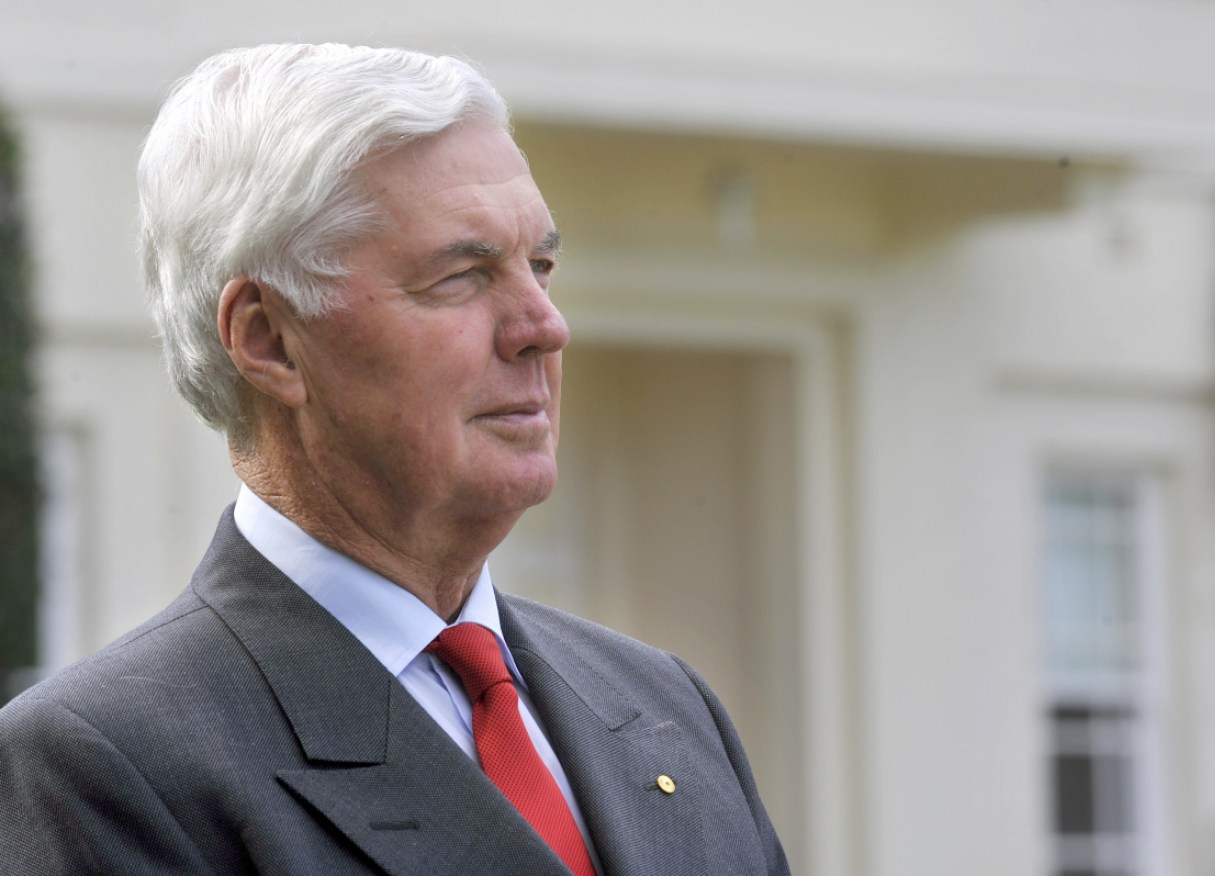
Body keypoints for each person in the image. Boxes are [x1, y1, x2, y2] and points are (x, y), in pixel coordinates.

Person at [0, 44, 789, 875]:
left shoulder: (663, 702)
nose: (543, 326)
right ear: (268, 339)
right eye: (461, 276)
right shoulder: (101, 766)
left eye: (541, 266)